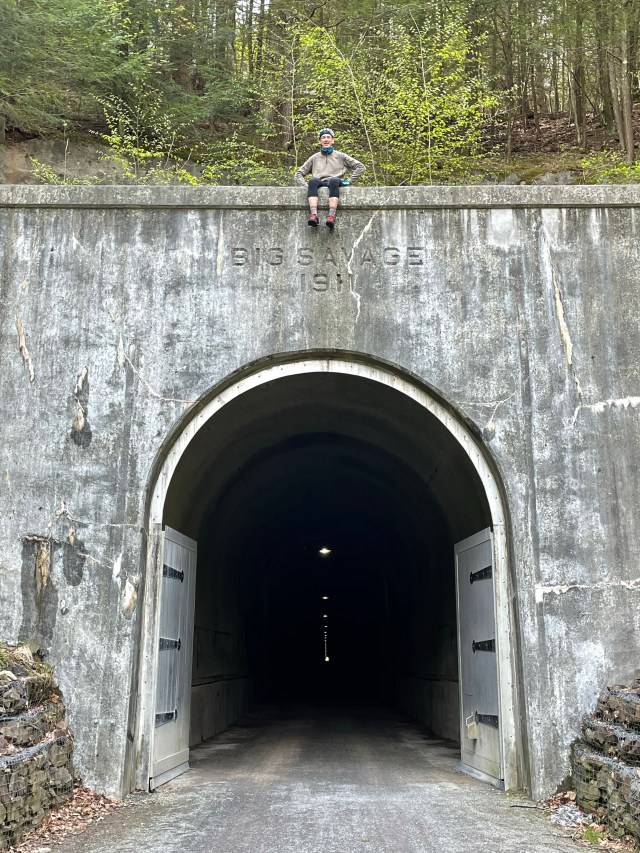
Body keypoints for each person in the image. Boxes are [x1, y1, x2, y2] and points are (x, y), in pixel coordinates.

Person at [294, 128, 365, 229]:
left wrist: (349, 181)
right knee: (313, 181)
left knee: (334, 180)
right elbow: (299, 174)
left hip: (335, 182)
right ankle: (314, 215)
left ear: (333, 140)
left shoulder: (341, 156)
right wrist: (306, 186)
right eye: (323, 137)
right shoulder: (314, 157)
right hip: (319, 182)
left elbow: (361, 167)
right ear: (320, 141)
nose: (326, 139)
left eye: (328, 137)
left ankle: (331, 216)